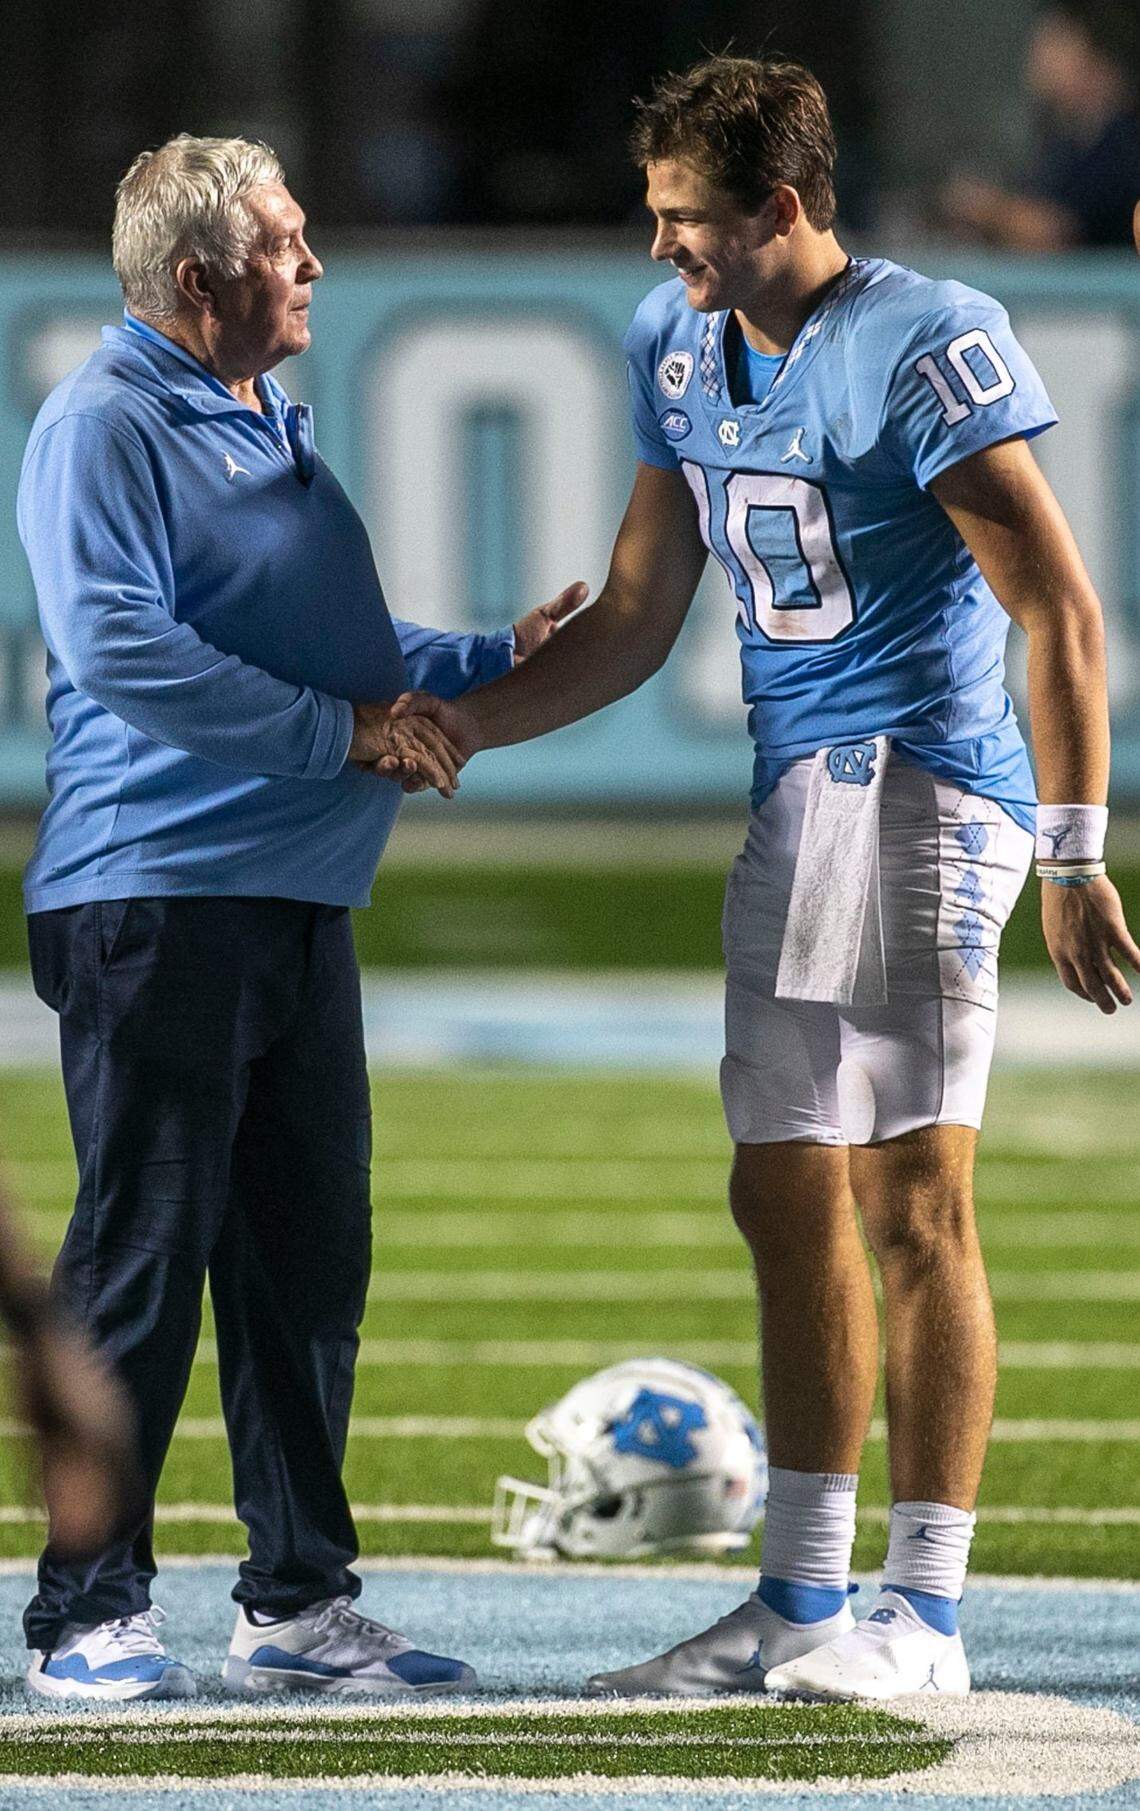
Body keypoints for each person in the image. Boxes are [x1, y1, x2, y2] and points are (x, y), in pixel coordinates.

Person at [392, 55, 1140, 1699]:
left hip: (933, 798)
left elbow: (1062, 612)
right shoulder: (680, 339)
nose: (660, 253)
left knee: (914, 1201)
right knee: (781, 1192)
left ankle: (923, 1617)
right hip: (799, 800)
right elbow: (642, 613)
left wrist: (1080, 852)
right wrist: (467, 726)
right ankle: (800, 1604)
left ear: (780, 209)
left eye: (685, 223)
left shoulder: (916, 340)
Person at [17, 132, 580, 1702]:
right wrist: (347, 737)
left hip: (287, 894)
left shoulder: (251, 405)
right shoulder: (106, 420)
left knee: (304, 1260)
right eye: (287, 244)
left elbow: (328, 639)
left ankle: (297, 1600)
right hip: (158, 891)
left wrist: (473, 656)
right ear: (198, 280)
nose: (313, 264)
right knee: (144, 1253)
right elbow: (119, 646)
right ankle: (85, 1609)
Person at [940, 0, 1140, 250]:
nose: (1039, 56)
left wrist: (990, 210)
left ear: (1098, 60)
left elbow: (1057, 232)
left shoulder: (1123, 144)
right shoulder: (1065, 143)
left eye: (1056, 44)